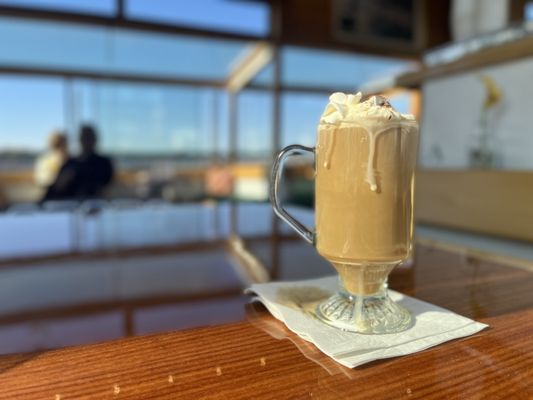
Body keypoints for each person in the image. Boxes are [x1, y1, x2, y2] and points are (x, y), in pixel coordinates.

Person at [44, 125, 113, 200]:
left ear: (95, 140)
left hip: (97, 206)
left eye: (89, 137)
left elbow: (108, 188)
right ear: (80, 140)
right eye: (84, 138)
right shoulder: (70, 164)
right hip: (70, 207)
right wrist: (61, 183)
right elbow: (53, 192)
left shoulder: (104, 164)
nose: (87, 141)